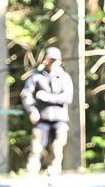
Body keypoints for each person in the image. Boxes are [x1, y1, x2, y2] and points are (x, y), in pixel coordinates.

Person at [21, 47, 75, 176]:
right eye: (50, 59)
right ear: (45, 60)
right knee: (36, 146)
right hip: (42, 117)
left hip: (60, 118)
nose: (52, 62)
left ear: (60, 61)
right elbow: (26, 95)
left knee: (58, 146)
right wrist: (32, 110)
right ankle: (32, 171)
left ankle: (54, 170)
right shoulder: (36, 77)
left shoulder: (65, 77)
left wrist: (47, 97)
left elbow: (68, 97)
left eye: (55, 60)